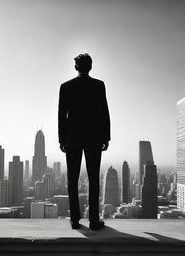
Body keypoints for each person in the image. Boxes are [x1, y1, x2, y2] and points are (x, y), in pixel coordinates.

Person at [58, 53, 110, 230]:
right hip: (94, 137)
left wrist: (62, 139)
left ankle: (74, 220)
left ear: (76, 67)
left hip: (72, 138)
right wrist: (106, 137)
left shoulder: (66, 87)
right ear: (91, 66)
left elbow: (61, 116)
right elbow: (104, 112)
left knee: (72, 180)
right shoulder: (98, 85)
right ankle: (94, 221)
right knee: (93, 178)